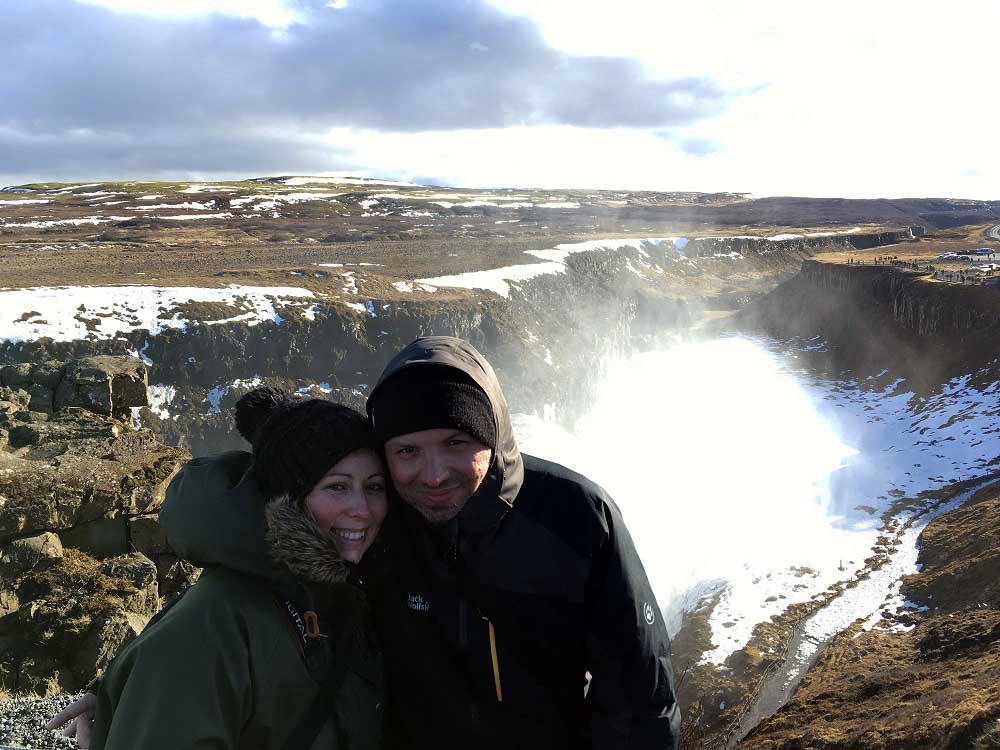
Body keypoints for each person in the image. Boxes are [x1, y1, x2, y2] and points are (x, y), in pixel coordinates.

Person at [363, 336, 681, 750]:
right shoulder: (372, 522)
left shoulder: (575, 516)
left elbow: (639, 699)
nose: (434, 475)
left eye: (456, 443)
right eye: (408, 451)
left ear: (492, 438)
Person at [49, 388, 387, 750]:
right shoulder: (217, 621)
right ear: (288, 497)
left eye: (374, 486)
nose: (363, 509)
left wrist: (110, 684)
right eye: (337, 486)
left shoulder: (335, 590)